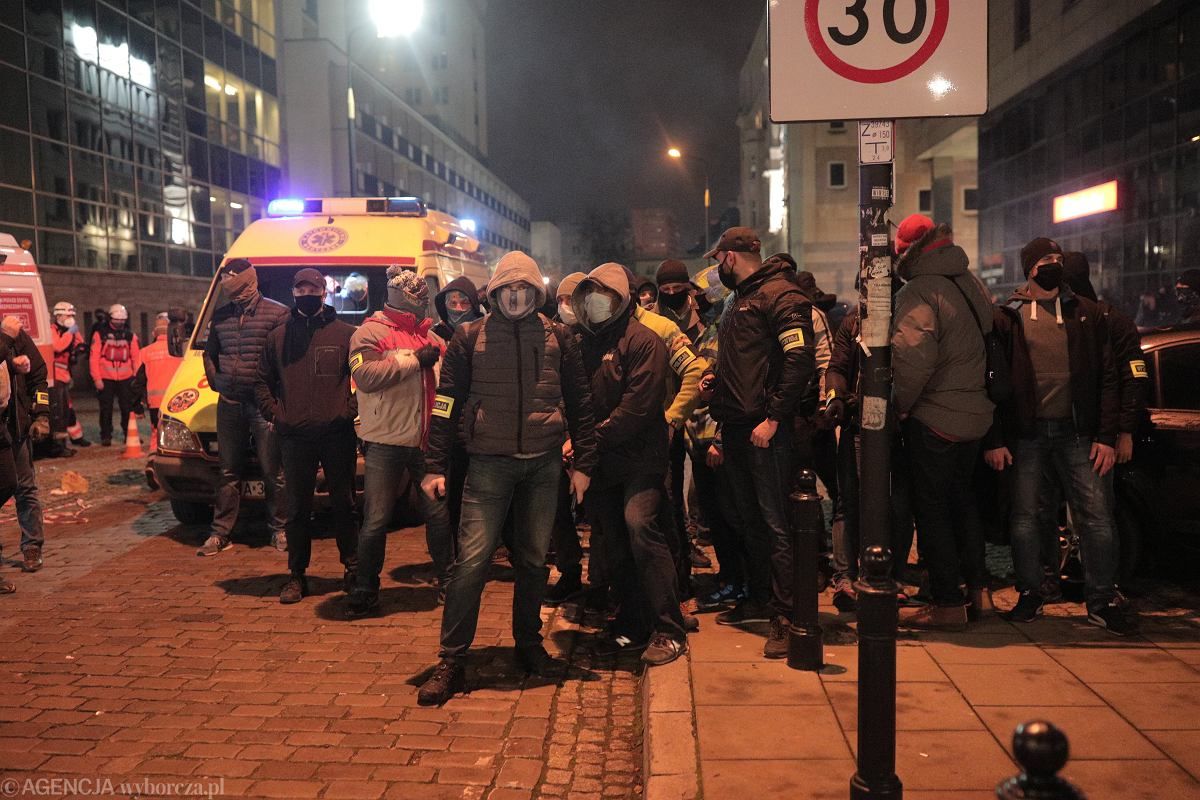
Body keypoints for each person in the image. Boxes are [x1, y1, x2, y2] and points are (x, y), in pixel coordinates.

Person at [416, 251, 597, 706]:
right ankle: (452, 658)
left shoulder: (560, 337)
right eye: (507, 290)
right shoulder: (467, 337)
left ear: (536, 293)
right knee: (472, 561)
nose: (516, 298)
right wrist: (435, 464)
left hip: (542, 463)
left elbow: (580, 403)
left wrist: (585, 466)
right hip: (488, 463)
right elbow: (446, 403)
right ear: (494, 293)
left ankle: (529, 644)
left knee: (535, 560)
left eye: (524, 290)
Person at [985, 237, 1136, 636]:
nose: (1054, 264)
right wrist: (998, 437)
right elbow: (995, 382)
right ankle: (1031, 593)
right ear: (1029, 268)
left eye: (1058, 258)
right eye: (1046, 260)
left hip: (1078, 435)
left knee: (1097, 518)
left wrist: (1106, 434)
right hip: (1028, 435)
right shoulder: (1010, 317)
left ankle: (1102, 600)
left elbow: (1107, 376)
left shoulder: (1085, 313)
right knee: (1025, 519)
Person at [706, 227, 816, 660]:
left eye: (718, 262)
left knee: (775, 524)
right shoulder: (743, 298)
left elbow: (799, 359)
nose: (717, 270)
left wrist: (773, 417)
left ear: (729, 258)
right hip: (736, 424)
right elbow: (748, 360)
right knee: (749, 520)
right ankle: (759, 597)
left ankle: (787, 617)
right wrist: (719, 382)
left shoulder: (780, 295)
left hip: (763, 430)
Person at [572, 264, 686, 664]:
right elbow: (576, 398)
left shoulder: (644, 341)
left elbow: (638, 407)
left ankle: (669, 627)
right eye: (589, 296)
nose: (595, 303)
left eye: (602, 294)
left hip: (641, 459)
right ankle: (633, 622)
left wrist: (589, 438)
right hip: (603, 463)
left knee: (641, 528)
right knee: (615, 541)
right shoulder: (581, 343)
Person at [889, 219, 995, 630]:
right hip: (975, 414)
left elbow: (914, 357)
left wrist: (900, 405)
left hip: (936, 417)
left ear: (910, 251)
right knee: (963, 503)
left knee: (931, 510)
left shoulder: (919, 291)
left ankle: (947, 603)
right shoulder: (971, 283)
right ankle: (979, 595)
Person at [347, 268, 452, 617]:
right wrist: (411, 361)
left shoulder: (433, 338)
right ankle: (365, 588)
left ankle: (449, 583)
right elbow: (365, 376)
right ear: (404, 298)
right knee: (376, 520)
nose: (425, 303)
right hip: (384, 441)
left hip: (426, 442)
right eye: (420, 297)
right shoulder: (368, 333)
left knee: (438, 517)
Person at [255, 269, 359, 605]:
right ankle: (296, 575)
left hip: (337, 433)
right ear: (294, 291)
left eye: (313, 287)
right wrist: (276, 413)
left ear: (324, 292)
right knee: (297, 508)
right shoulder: (279, 337)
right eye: (301, 287)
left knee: (344, 503)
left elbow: (364, 379)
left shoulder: (346, 334)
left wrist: (349, 409)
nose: (306, 292)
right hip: (295, 435)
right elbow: (261, 380)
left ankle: (353, 567)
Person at [199, 258, 290, 556]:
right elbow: (209, 353)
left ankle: (280, 530)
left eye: (234, 282)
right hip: (229, 403)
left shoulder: (277, 314)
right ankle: (220, 533)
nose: (229, 288)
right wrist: (217, 383)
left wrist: (272, 395)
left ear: (250, 281)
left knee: (272, 471)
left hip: (262, 406)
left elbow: (285, 360)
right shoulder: (222, 315)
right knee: (228, 471)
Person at [544, 271, 591, 605]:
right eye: (560, 299)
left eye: (570, 299)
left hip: (586, 436)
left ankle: (602, 579)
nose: (565, 306)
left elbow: (587, 394)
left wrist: (578, 436)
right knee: (557, 512)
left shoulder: (594, 337)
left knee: (598, 514)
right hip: (555, 437)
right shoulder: (552, 335)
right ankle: (570, 572)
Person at [3, 319, 52, 575]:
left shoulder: (16, 334)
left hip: (15, 428)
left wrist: (41, 414)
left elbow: (38, 375)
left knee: (25, 488)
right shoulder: (7, 335)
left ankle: (32, 546)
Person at [89, 303, 140, 447]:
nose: (120, 322)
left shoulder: (130, 335)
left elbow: (136, 357)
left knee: (127, 408)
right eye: (117, 320)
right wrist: (97, 378)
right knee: (106, 409)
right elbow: (94, 358)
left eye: (122, 320)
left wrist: (136, 377)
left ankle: (129, 434)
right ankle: (106, 436)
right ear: (110, 318)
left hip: (126, 378)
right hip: (106, 378)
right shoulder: (100, 334)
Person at [132, 314, 183, 433]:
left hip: (155, 403)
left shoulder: (145, 352)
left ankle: (155, 451)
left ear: (154, 334)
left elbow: (138, 383)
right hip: (179, 402)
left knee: (158, 433)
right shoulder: (181, 351)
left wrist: (137, 407)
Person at [50, 302, 90, 450]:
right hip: (55, 375)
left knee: (67, 407)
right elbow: (58, 346)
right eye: (68, 315)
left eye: (72, 315)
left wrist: (75, 334)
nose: (70, 318)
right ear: (58, 315)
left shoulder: (70, 331)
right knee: (60, 410)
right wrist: (70, 333)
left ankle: (76, 437)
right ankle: (59, 444)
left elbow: (81, 343)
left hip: (65, 374)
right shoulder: (52, 330)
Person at [432, 277, 483, 343]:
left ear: (474, 305)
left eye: (464, 303)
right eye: (453, 303)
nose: (458, 309)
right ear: (445, 306)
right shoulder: (435, 336)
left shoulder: (485, 333)